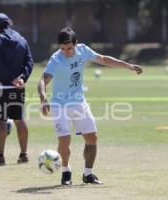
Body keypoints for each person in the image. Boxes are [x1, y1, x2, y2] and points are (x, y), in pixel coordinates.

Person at [37, 27, 143, 185]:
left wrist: (128, 66)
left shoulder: (83, 50)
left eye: (69, 48)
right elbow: (42, 81)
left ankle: (88, 174)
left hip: (79, 102)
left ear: (76, 44)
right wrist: (43, 98)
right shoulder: (56, 59)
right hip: (60, 105)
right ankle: (66, 172)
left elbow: (103, 59)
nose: (66, 52)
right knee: (64, 140)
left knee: (92, 137)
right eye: (63, 49)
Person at [0, 13, 34, 165]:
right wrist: (21, 78)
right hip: (18, 87)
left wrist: (11, 78)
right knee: (19, 119)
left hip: (0, 85)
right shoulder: (22, 39)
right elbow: (30, 61)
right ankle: (24, 155)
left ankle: (0, 156)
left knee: (1, 121)